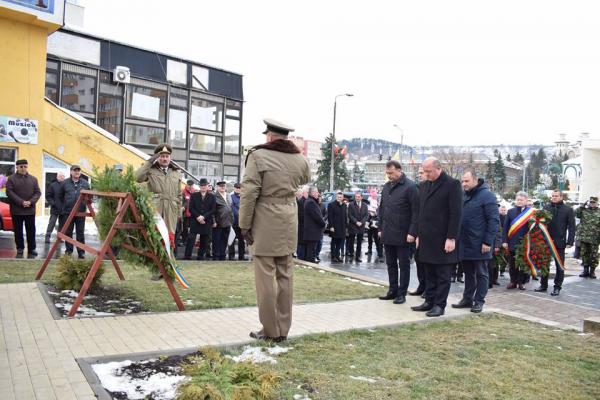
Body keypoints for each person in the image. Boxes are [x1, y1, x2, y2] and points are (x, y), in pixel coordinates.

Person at [239, 118, 311, 342]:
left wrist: (244, 224)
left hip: (265, 219)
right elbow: (305, 179)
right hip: (289, 218)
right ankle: (283, 329)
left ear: (269, 136)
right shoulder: (300, 159)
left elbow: (249, 193)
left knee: (265, 278)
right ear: (286, 137)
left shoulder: (258, 155)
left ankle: (270, 330)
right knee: (285, 276)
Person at [411, 157, 462, 317]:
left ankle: (439, 305)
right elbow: (420, 212)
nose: (425, 174)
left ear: (438, 168)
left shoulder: (452, 185)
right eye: (424, 171)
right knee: (429, 272)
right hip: (426, 238)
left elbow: (456, 213)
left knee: (442, 274)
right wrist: (418, 233)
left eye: (428, 171)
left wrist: (451, 237)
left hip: (443, 238)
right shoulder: (424, 185)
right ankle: (429, 301)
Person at [452, 170, 499, 313]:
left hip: (480, 244)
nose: (463, 184)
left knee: (481, 273)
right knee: (468, 273)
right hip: (465, 242)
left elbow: (493, 221)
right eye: (462, 181)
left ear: (475, 180)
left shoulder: (487, 196)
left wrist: (488, 242)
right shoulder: (464, 195)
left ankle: (479, 301)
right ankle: (467, 298)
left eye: (466, 181)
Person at [377, 160, 419, 305]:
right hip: (388, 232)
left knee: (404, 265)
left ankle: (402, 293)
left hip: (403, 234)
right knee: (390, 264)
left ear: (399, 170)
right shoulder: (387, 187)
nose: (389, 176)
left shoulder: (411, 187)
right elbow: (382, 209)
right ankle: (392, 290)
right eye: (387, 173)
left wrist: (412, 232)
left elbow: (416, 212)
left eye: (391, 173)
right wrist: (380, 228)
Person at [135, 143, 182, 248]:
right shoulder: (150, 170)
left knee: (170, 238)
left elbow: (179, 195)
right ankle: (155, 262)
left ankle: (168, 262)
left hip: (171, 210)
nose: (164, 159)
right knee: (155, 235)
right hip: (156, 208)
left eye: (166, 156)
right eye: (161, 156)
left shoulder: (176, 172)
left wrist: (179, 213)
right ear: (157, 157)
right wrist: (149, 162)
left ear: (170, 158)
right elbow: (137, 178)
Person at [532, 190, 576, 295]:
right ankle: (543, 285)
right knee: (544, 264)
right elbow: (540, 223)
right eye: (552, 196)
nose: (554, 198)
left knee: (559, 266)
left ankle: (557, 287)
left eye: (556, 196)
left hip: (559, 242)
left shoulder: (568, 209)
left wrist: (570, 241)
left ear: (561, 197)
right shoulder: (546, 208)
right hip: (546, 241)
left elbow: (572, 227)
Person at [6, 159, 41, 257]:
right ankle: (20, 248)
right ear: (17, 167)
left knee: (31, 230)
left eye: (25, 166)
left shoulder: (33, 179)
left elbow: (37, 192)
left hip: (30, 210)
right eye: (21, 166)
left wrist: (30, 202)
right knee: (18, 231)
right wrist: (21, 202)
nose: (23, 168)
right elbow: (9, 192)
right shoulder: (11, 179)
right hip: (17, 210)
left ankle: (31, 249)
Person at [58, 165, 90, 259]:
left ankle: (81, 252)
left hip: (81, 212)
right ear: (71, 172)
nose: (77, 172)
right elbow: (59, 196)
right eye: (75, 170)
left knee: (80, 232)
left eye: (78, 171)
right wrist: (62, 208)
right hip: (68, 212)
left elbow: (89, 197)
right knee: (68, 232)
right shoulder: (64, 183)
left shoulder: (85, 183)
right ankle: (69, 251)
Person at [502, 191, 533, 290]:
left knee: (523, 264)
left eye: (521, 200)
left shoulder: (531, 212)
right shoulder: (511, 211)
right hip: (512, 242)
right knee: (512, 264)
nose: (519, 201)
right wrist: (504, 241)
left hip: (525, 242)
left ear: (526, 201)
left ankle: (521, 282)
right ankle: (513, 281)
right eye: (518, 200)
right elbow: (506, 227)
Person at [185, 178, 216, 260]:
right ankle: (187, 256)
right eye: (201, 185)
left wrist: (204, 217)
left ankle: (200, 256)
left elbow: (213, 209)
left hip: (206, 220)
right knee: (191, 238)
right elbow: (191, 208)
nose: (203, 187)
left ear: (207, 186)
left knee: (204, 239)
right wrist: (198, 216)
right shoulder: (194, 195)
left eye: (204, 185)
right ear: (199, 186)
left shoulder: (212, 196)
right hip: (195, 220)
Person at [409, 166, 427, 296]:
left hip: (428, 234)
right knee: (419, 261)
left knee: (428, 264)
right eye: (419, 173)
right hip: (417, 232)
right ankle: (422, 286)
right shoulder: (417, 189)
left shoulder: (431, 189)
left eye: (422, 173)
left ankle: (428, 289)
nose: (419, 175)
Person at [576, 196, 600, 279]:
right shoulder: (584, 211)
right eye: (591, 202)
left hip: (595, 238)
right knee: (584, 254)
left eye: (594, 202)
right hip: (584, 237)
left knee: (594, 255)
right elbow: (576, 213)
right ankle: (585, 271)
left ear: (597, 203)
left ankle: (592, 271)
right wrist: (582, 205)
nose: (592, 204)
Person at [303, 186, 326, 263]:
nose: (318, 193)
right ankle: (310, 263)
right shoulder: (311, 202)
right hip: (312, 232)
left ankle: (311, 261)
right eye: (316, 192)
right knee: (311, 250)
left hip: (312, 232)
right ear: (312, 193)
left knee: (312, 249)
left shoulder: (311, 201)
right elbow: (317, 217)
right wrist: (324, 224)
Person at [212, 181, 234, 261]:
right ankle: (216, 256)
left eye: (224, 186)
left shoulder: (228, 195)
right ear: (217, 187)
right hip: (218, 222)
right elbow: (212, 211)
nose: (223, 188)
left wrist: (232, 220)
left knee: (224, 240)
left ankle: (222, 255)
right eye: (221, 186)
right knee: (216, 240)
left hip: (228, 221)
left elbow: (230, 208)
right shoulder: (214, 196)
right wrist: (213, 221)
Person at [347, 191, 369, 262]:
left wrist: (362, 222)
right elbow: (350, 215)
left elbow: (366, 215)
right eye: (356, 197)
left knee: (359, 242)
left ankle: (357, 257)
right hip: (353, 225)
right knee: (351, 241)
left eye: (358, 197)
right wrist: (356, 222)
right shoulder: (351, 204)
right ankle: (351, 253)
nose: (357, 198)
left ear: (361, 197)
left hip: (361, 226)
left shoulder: (365, 205)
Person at [44, 172, 65, 243]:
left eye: (63, 176)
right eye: (60, 176)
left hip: (63, 208)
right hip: (55, 208)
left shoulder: (66, 185)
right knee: (52, 223)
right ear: (57, 177)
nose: (61, 178)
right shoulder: (52, 185)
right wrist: (53, 203)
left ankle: (59, 237)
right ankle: (47, 236)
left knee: (62, 224)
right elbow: (48, 195)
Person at [327, 191, 348, 262]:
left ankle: (337, 256)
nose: (340, 198)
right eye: (338, 197)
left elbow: (345, 216)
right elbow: (330, 217)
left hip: (342, 227)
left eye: (341, 197)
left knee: (340, 242)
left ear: (343, 197)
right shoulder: (331, 205)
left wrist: (346, 226)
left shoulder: (344, 205)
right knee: (334, 242)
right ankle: (333, 256)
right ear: (336, 197)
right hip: (334, 227)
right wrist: (331, 226)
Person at [228, 182, 247, 261]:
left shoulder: (244, 197)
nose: (238, 189)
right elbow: (231, 209)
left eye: (239, 188)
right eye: (237, 188)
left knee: (241, 240)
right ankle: (231, 256)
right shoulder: (230, 197)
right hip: (234, 222)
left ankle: (241, 256)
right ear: (234, 188)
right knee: (231, 239)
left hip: (242, 222)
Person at [366, 190, 384, 262]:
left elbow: (380, 215)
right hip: (370, 223)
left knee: (377, 240)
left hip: (377, 224)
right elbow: (368, 213)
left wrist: (375, 213)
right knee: (369, 238)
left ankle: (380, 255)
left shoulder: (380, 206)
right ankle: (369, 250)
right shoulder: (370, 202)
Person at [180, 179, 196, 246]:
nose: (190, 186)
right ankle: (184, 241)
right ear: (187, 184)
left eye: (191, 185)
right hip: (185, 214)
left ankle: (191, 241)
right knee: (185, 228)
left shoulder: (194, 192)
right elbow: (182, 202)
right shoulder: (183, 192)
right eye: (189, 185)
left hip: (193, 214)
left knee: (192, 228)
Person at [296, 187, 308, 260]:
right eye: (307, 192)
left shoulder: (306, 201)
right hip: (301, 226)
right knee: (301, 245)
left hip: (306, 227)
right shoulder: (300, 202)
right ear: (304, 193)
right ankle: (300, 259)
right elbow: (299, 215)